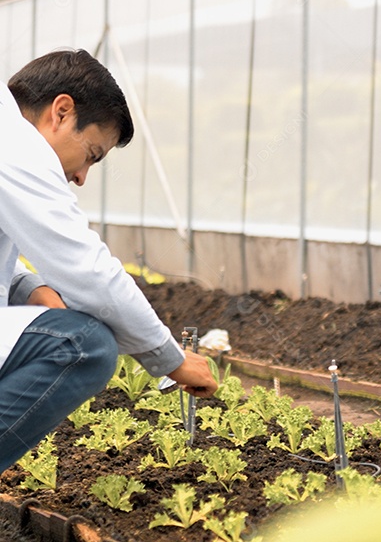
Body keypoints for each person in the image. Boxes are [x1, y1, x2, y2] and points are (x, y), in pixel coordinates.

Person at [0, 49, 218, 471]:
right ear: (61, 112)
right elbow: (85, 270)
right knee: (82, 345)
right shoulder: (16, 145)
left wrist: (29, 286)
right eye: (93, 153)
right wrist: (170, 359)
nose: (81, 176)